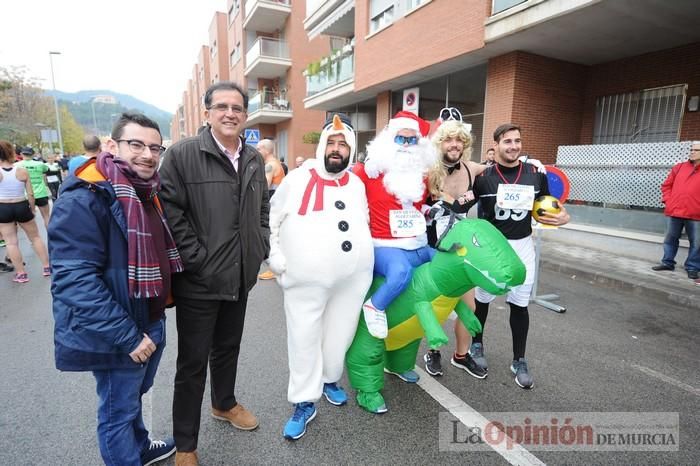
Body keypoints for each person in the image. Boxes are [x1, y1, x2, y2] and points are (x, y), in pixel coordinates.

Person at [48, 113, 181, 466]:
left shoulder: (147, 191)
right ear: (112, 145)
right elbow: (74, 281)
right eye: (136, 145)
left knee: (132, 398)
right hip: (120, 331)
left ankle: (140, 446)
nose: (147, 155)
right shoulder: (86, 198)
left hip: (148, 319)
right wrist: (127, 337)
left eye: (155, 147)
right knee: (116, 412)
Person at [159, 81, 269, 466]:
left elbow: (262, 211)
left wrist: (260, 247)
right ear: (207, 112)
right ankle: (185, 444)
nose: (229, 113)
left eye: (237, 107)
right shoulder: (182, 155)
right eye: (221, 106)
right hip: (199, 281)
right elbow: (170, 212)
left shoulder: (253, 158)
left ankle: (224, 403)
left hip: (240, 277)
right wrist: (197, 259)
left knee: (228, 349)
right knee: (192, 363)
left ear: (244, 115)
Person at [267, 114, 373, 439]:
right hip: (306, 279)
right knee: (303, 338)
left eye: (344, 144)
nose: (337, 149)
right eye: (332, 143)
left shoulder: (356, 183)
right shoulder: (297, 179)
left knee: (339, 334)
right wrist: (276, 253)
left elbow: (364, 219)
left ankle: (330, 379)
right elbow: (272, 217)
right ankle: (303, 401)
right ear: (322, 146)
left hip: (352, 278)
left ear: (351, 150)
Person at [423, 118, 546, 378]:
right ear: (439, 143)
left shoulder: (472, 170)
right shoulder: (428, 170)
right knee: (436, 302)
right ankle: (433, 351)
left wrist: (533, 163)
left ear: (465, 144)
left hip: (463, 247)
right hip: (434, 246)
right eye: (448, 139)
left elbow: (497, 169)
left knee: (468, 305)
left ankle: (461, 355)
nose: (454, 144)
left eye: (459, 139)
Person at [471, 123, 570, 389]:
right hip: (492, 249)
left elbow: (550, 209)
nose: (513, 146)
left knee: (520, 303)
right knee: (482, 301)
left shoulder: (536, 174)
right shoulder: (484, 177)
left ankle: (519, 359)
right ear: (496, 146)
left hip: (523, 246)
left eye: (517, 141)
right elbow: (463, 202)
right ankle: (476, 344)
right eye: (507, 142)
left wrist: (564, 218)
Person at [352, 111, 436, 373]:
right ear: (390, 139)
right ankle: (375, 306)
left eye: (412, 141)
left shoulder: (422, 176)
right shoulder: (368, 171)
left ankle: (446, 306)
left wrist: (431, 212)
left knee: (445, 261)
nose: (406, 146)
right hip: (383, 244)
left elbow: (422, 207)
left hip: (417, 242)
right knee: (401, 272)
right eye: (401, 139)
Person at [0, 141, 50, 283]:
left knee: (11, 242)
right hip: (21, 204)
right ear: (11, 153)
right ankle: (47, 267)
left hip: (3, 207)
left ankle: (21, 274)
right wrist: (32, 208)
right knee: (35, 237)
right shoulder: (21, 170)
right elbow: (30, 193)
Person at [651, 140, 700, 283]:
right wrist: (668, 201)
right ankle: (667, 263)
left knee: (697, 243)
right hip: (674, 211)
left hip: (696, 214)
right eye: (691, 149)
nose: (692, 151)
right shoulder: (679, 167)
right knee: (670, 239)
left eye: (696, 150)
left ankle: (693, 267)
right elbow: (666, 185)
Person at [257, 138, 285, 280]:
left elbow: (264, 188)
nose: (256, 151)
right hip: (276, 205)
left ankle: (273, 268)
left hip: (272, 206)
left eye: (258, 148)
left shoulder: (270, 166)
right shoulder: (275, 163)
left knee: (270, 236)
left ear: (266, 150)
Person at [16, 147, 51, 229]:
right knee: (46, 217)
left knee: (29, 221)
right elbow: (47, 170)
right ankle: (51, 237)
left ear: (21, 154)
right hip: (41, 193)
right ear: (33, 154)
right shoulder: (40, 164)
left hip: (25, 195)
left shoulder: (17, 165)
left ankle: (35, 238)